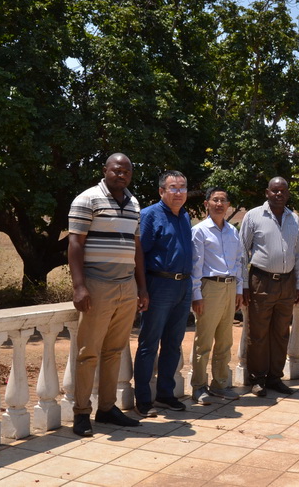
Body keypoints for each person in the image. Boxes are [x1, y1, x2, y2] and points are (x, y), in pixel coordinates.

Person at [67, 153, 149, 436]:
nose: (121, 174)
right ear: (105, 170)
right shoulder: (87, 199)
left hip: (126, 285)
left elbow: (136, 248)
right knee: (88, 352)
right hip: (98, 284)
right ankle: (81, 413)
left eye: (127, 171)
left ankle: (106, 408)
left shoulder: (134, 203)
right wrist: (79, 286)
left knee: (114, 350)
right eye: (116, 170)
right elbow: (75, 243)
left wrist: (142, 287)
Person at [133, 170, 193, 417]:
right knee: (149, 343)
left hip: (183, 286)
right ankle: (143, 399)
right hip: (159, 285)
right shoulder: (149, 215)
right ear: (161, 191)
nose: (179, 192)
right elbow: (139, 254)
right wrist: (142, 289)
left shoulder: (185, 216)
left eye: (182, 187)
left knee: (173, 343)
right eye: (173, 188)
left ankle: (165, 394)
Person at [240, 177, 299, 397]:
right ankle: (258, 379)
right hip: (261, 280)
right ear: (267, 192)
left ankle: (275, 378)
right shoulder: (253, 216)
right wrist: (244, 284)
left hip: (287, 282)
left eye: (283, 191)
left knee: (281, 333)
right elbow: (242, 252)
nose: (279, 194)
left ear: (287, 194)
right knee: (258, 333)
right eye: (275, 190)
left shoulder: (293, 218)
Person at [190, 187, 244, 403]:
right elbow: (196, 265)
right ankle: (198, 386)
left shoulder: (232, 231)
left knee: (225, 340)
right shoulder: (200, 231)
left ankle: (220, 384)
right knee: (203, 341)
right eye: (215, 200)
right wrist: (196, 294)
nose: (219, 204)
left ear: (228, 205)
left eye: (223, 200)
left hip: (230, 287)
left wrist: (238, 290)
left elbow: (239, 261)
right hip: (209, 288)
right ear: (207, 204)